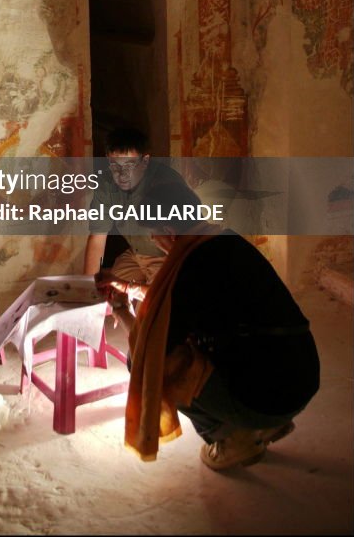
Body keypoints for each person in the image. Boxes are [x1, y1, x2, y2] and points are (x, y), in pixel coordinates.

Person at [106, 203, 320, 471]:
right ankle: (268, 424)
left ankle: (232, 438)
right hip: (300, 379)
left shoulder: (191, 268)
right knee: (195, 343)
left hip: (270, 399)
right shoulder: (222, 242)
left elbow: (151, 348)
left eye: (154, 234)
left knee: (149, 364)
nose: (152, 241)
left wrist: (120, 309)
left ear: (170, 231)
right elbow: (182, 300)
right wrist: (130, 288)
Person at [83, 126, 199, 291]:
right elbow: (97, 238)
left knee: (153, 305)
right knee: (106, 290)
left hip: (165, 256)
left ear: (144, 161)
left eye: (129, 165)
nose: (121, 174)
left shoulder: (166, 184)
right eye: (115, 166)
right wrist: (88, 289)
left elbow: (182, 243)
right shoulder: (106, 185)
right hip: (135, 254)